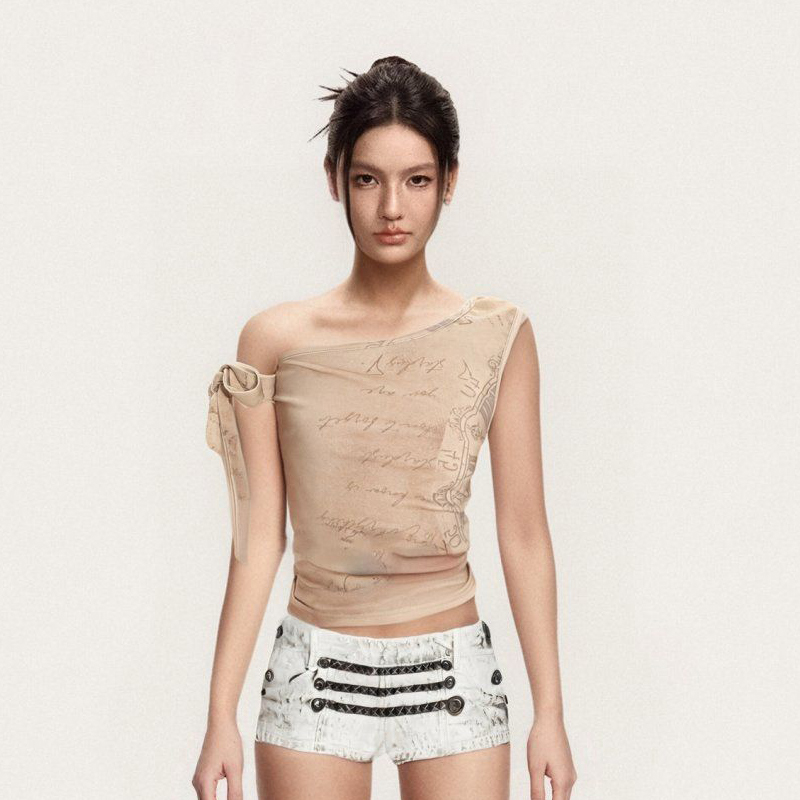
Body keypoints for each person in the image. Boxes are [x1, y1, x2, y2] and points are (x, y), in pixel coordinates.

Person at [192, 56, 576, 800]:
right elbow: (258, 536)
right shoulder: (274, 340)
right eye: (368, 179)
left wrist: (551, 714)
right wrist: (219, 716)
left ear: (450, 182)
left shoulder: (499, 335)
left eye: (417, 180)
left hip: (452, 676)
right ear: (335, 179)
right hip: (313, 676)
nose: (392, 207)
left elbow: (525, 530)